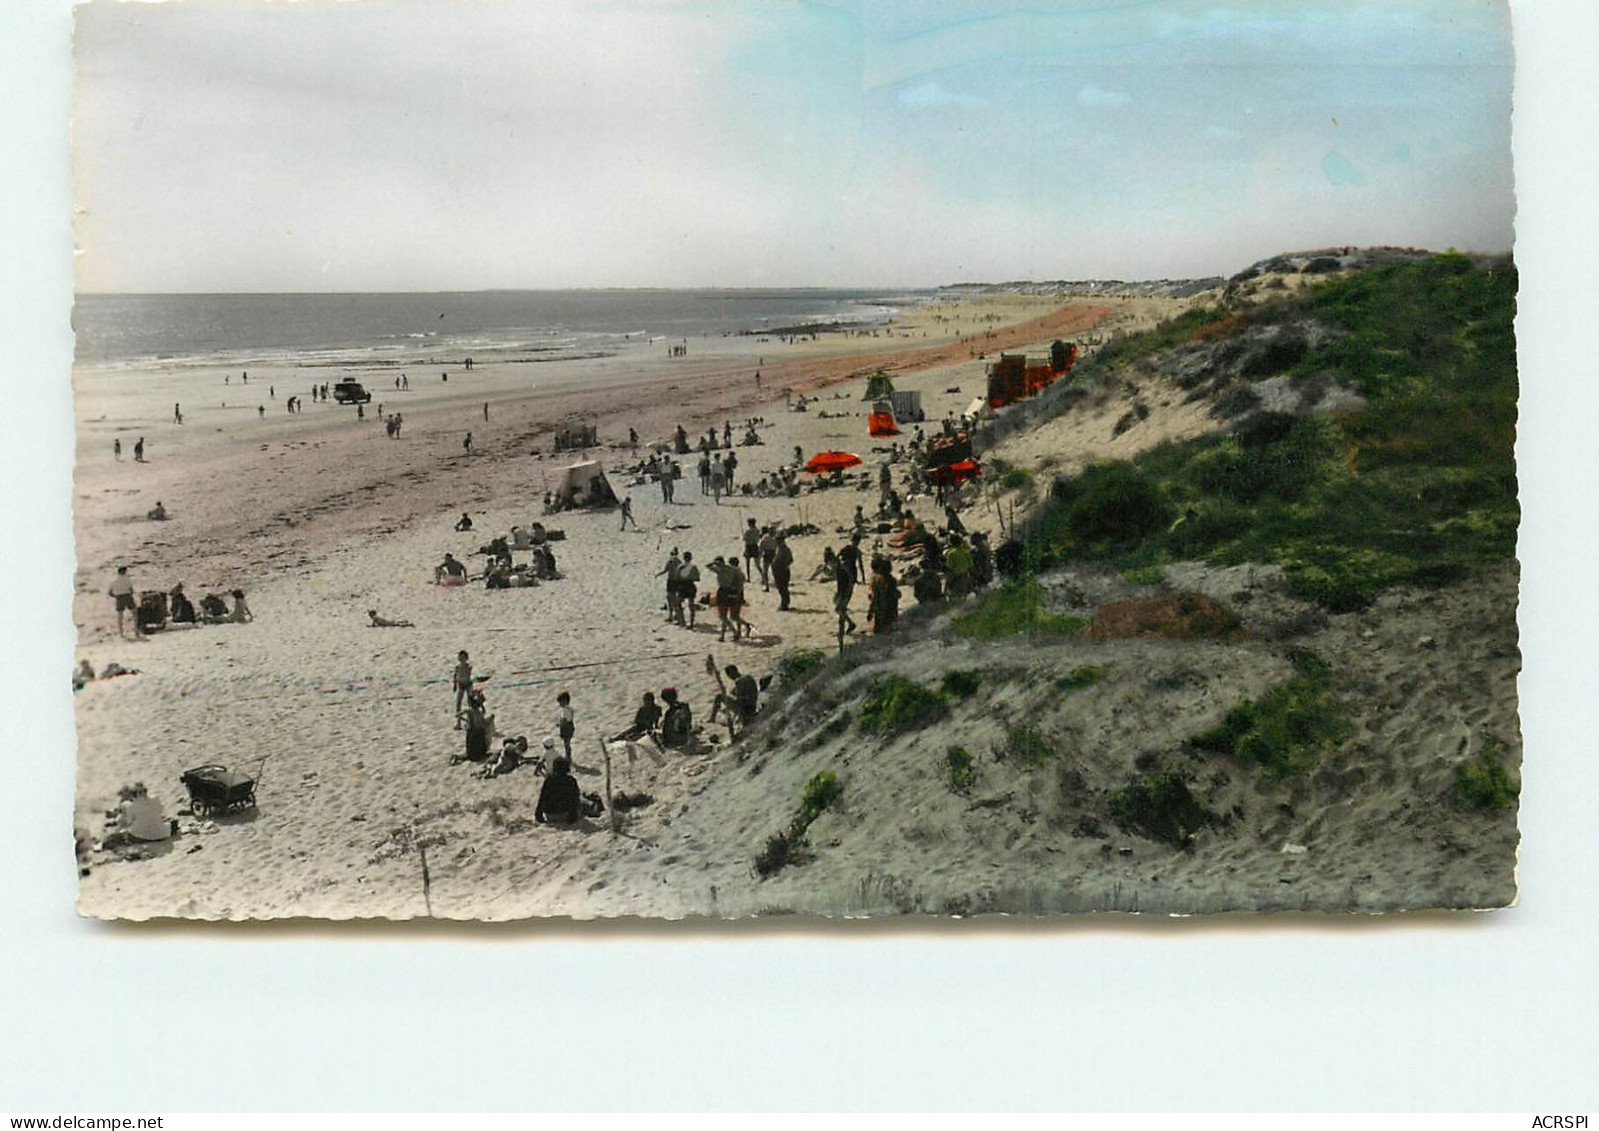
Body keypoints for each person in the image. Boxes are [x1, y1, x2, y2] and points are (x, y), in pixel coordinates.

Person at [535, 756, 582, 825]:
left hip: (549, 815)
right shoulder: (570, 781)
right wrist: (572, 817)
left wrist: (539, 816)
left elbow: (542, 798)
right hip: (564, 814)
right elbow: (574, 799)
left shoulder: (549, 780)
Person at [454, 691, 493, 763]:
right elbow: (457, 715)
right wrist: (466, 721)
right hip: (475, 733)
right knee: (476, 753)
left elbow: (457, 715)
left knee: (476, 753)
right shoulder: (472, 710)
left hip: (477, 733)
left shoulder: (476, 711)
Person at [868, 558, 900, 634]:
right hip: (889, 604)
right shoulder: (890, 579)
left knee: (880, 626)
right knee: (888, 625)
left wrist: (871, 609)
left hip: (881, 605)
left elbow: (875, 595)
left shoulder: (876, 579)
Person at [108, 566, 138, 638]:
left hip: (119, 597)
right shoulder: (127, 580)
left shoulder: (113, 581)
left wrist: (116, 596)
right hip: (127, 596)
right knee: (134, 613)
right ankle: (136, 631)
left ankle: (121, 633)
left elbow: (110, 593)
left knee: (120, 616)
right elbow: (131, 590)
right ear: (124, 572)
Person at [677, 551, 699, 628]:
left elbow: (677, 577)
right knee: (691, 604)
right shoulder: (693, 567)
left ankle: (682, 621)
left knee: (678, 603)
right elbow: (697, 578)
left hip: (682, 586)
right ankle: (691, 623)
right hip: (690, 585)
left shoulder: (680, 566)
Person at [452, 650, 473, 726]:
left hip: (468, 685)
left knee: (470, 704)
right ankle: (458, 722)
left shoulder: (468, 667)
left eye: (463, 658)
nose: (462, 659)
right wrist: (454, 684)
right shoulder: (457, 667)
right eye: (460, 658)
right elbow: (455, 676)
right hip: (460, 685)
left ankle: (470, 721)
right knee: (458, 704)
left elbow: (470, 675)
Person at [556, 690, 575, 760]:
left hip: (566, 728)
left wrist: (559, 724)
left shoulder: (564, 710)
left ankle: (568, 756)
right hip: (570, 726)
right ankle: (568, 754)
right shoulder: (569, 709)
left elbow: (564, 720)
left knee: (566, 742)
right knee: (568, 742)